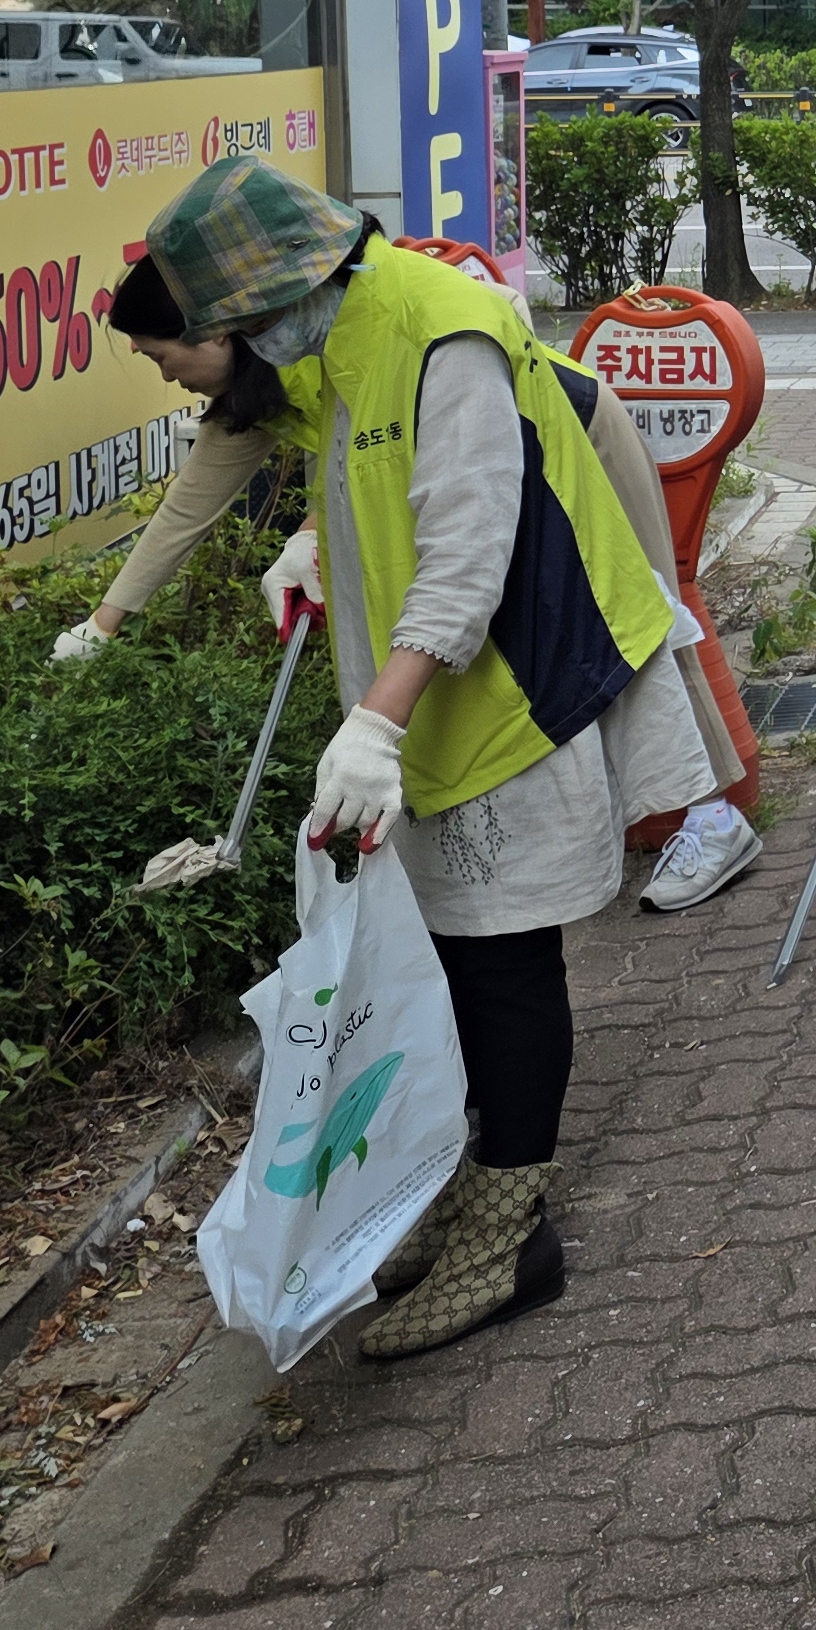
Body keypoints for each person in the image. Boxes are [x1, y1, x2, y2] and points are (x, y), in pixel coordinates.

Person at [78, 157, 710, 1358]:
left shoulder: (443, 331)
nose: (189, 361)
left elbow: (471, 550)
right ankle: (483, 1177)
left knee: (508, 954)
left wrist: (374, 721)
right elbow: (343, 460)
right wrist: (317, 538)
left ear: (261, 307)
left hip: (512, 682)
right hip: (432, 703)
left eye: (197, 338)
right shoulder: (332, 339)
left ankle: (515, 1228)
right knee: (463, 951)